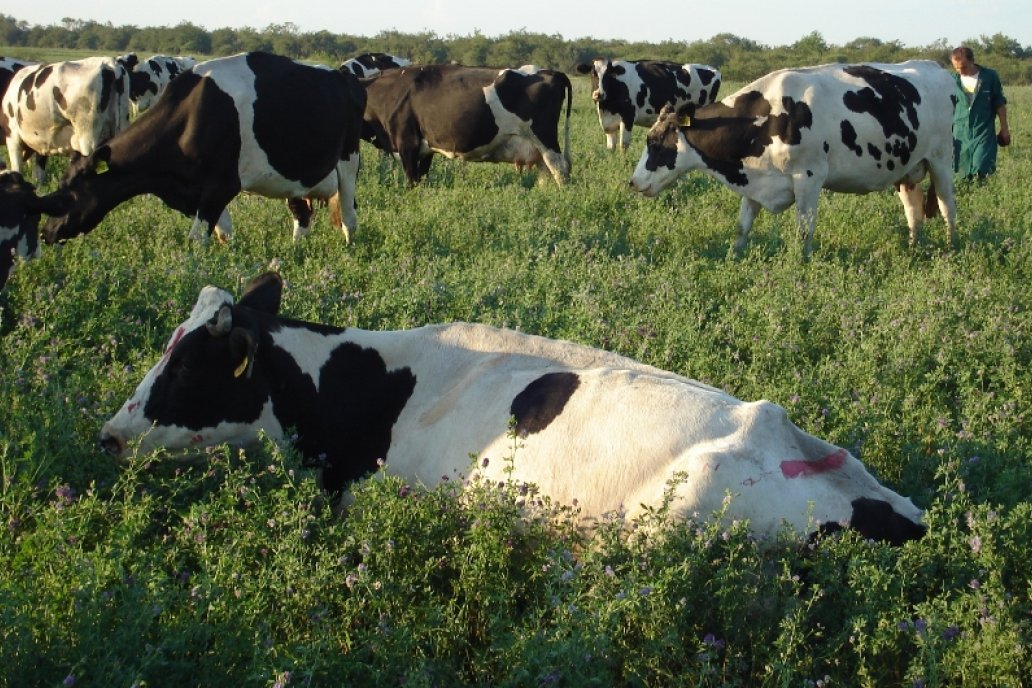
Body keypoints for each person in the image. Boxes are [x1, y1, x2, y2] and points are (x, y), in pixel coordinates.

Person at [950, 46, 1010, 180]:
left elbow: (999, 104)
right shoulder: (952, 81)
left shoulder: (989, 77)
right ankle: (967, 198)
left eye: (963, 67)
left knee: (982, 169)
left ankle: (981, 192)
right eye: (956, 68)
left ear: (972, 61)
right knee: (961, 172)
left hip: (983, 131)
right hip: (960, 133)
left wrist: (1004, 129)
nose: (960, 71)